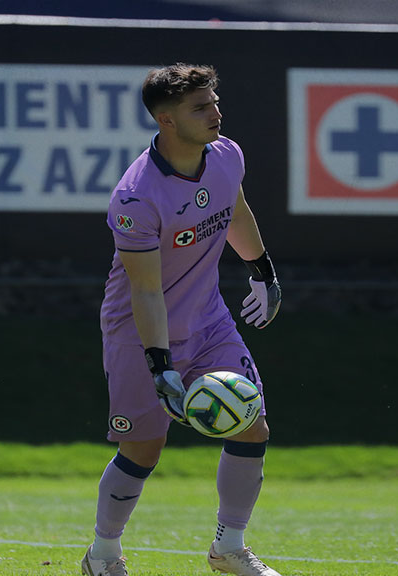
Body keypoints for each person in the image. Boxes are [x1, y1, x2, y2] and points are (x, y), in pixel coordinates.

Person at [81, 63, 283, 576]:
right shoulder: (136, 196)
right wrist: (160, 365)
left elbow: (234, 209)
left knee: (251, 426)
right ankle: (103, 555)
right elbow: (146, 291)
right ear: (166, 121)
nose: (215, 113)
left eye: (214, 101)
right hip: (137, 331)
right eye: (200, 107)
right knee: (144, 448)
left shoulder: (226, 155)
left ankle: (228, 548)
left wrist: (262, 270)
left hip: (209, 318)